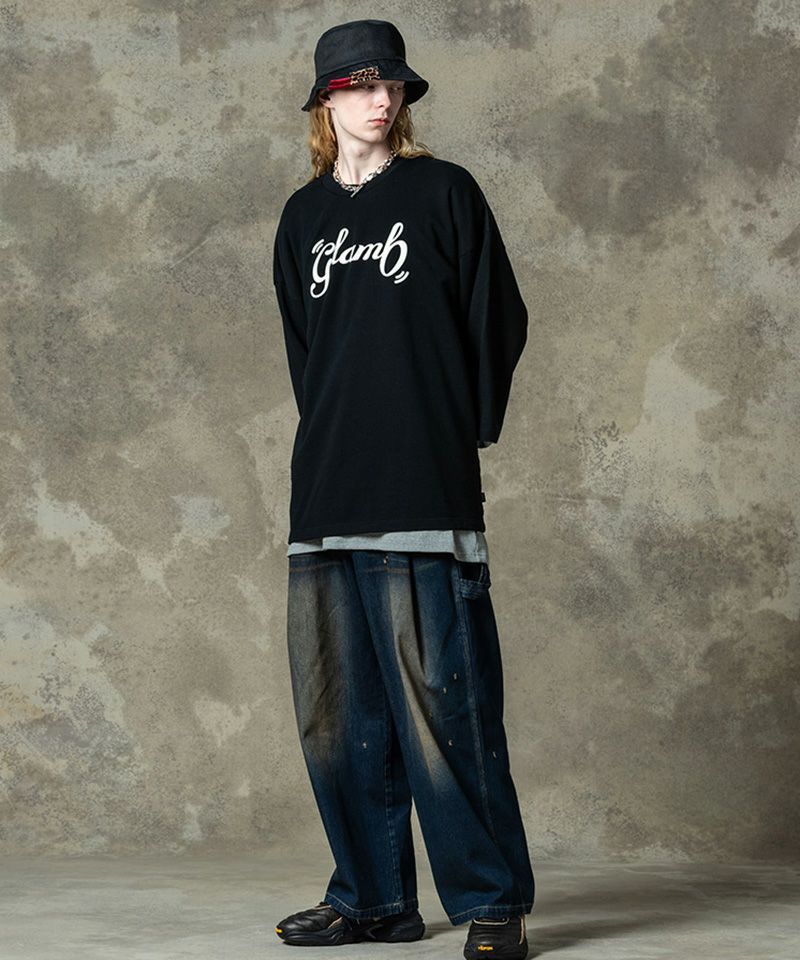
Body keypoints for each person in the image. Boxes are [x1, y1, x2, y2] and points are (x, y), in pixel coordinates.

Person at [272, 19, 535, 960]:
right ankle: (374, 899)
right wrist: (337, 436)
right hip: (326, 492)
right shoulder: (301, 218)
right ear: (327, 100)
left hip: (422, 486)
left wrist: (452, 430)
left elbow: (497, 317)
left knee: (445, 710)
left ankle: (493, 903)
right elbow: (308, 358)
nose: (382, 99)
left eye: (393, 85)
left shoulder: (443, 192)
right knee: (337, 716)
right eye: (362, 85)